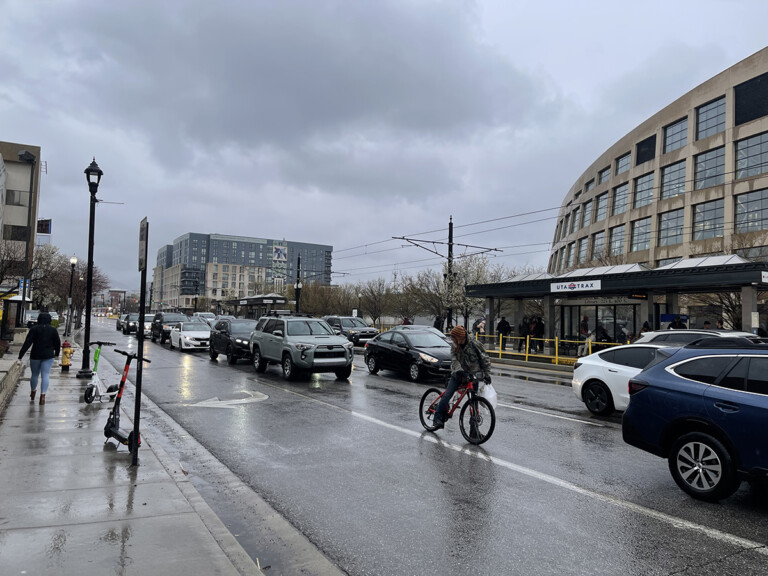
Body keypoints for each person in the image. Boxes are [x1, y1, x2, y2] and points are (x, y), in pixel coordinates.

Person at [432, 325, 492, 430]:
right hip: (458, 375)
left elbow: (485, 359)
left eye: (453, 337)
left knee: (474, 402)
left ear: (459, 337)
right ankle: (437, 418)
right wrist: (458, 370)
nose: (452, 339)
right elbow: (454, 359)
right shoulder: (455, 345)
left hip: (472, 376)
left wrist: (487, 374)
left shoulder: (475, 344)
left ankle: (474, 430)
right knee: (447, 395)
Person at [18, 311, 61, 405]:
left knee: (34, 375)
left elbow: (27, 343)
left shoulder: (34, 329)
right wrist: (57, 353)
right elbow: (57, 343)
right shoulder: (53, 330)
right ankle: (43, 395)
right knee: (45, 375)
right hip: (48, 355)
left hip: (35, 355)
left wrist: (20, 355)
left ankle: (33, 391)